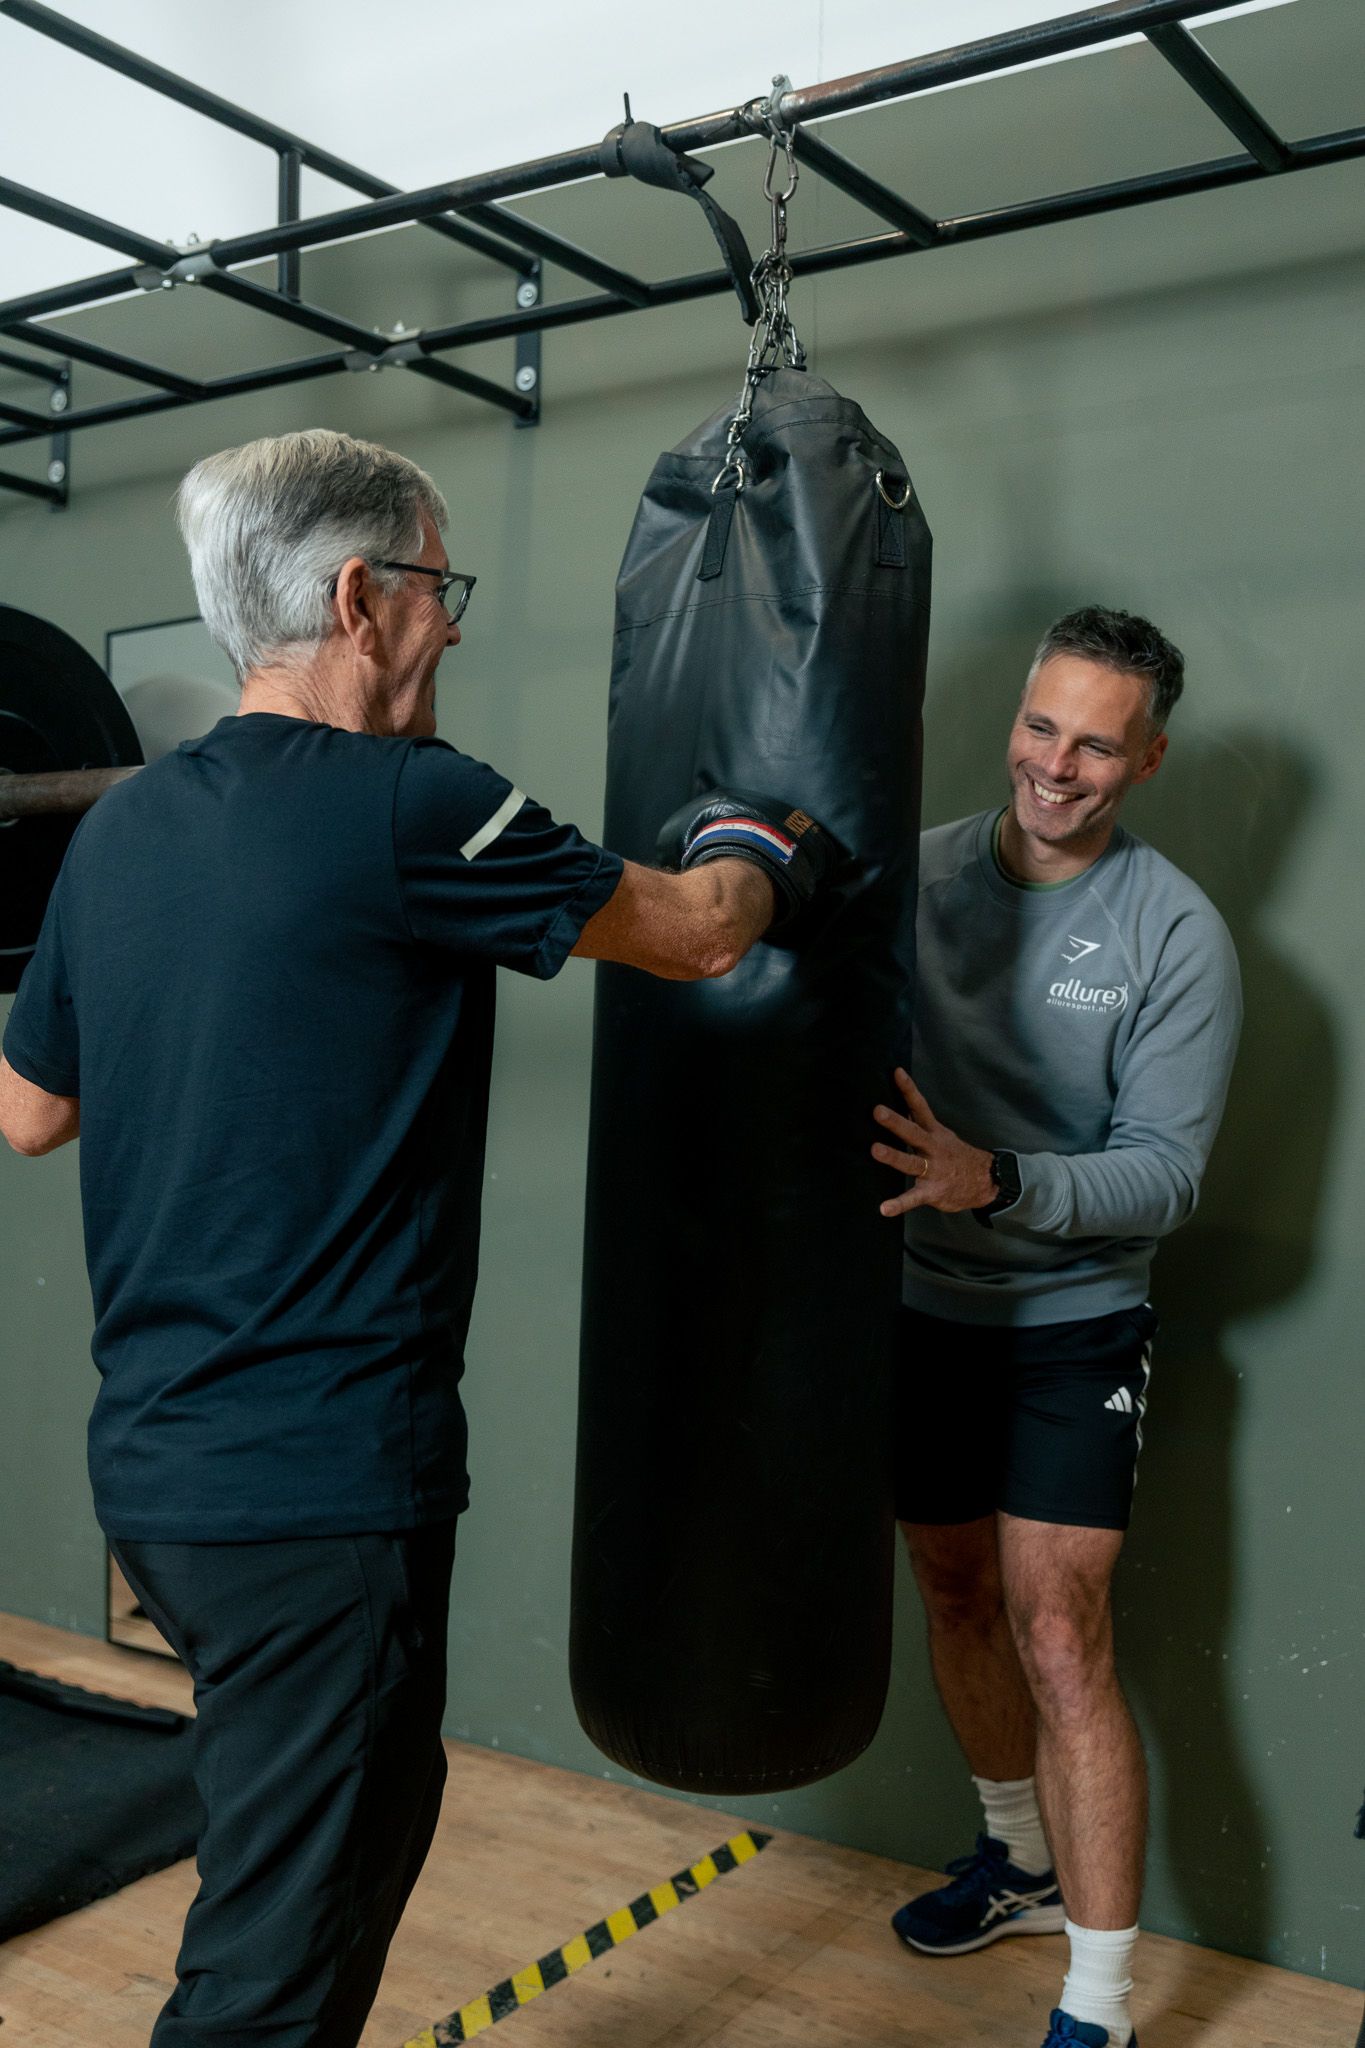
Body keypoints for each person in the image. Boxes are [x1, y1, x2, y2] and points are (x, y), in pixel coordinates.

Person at [0, 428, 835, 2048]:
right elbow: (691, 934)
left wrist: (209, 1022)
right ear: (358, 597)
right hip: (318, 1494)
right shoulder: (420, 806)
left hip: (163, 1481)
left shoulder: (119, 832)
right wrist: (764, 847)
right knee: (276, 1961)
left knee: (353, 1830)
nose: (448, 624)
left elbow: (29, 1112)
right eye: (438, 588)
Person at [870, 608, 1241, 2048]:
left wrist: (1000, 1180)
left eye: (1096, 745)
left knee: (1060, 1632)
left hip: (1072, 1324)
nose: (1055, 765)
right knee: (953, 1589)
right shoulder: (918, 877)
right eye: (1042, 726)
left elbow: (1166, 1173)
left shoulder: (1174, 933)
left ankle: (1099, 2007)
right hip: (919, 1307)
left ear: (1146, 761)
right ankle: (1016, 1860)